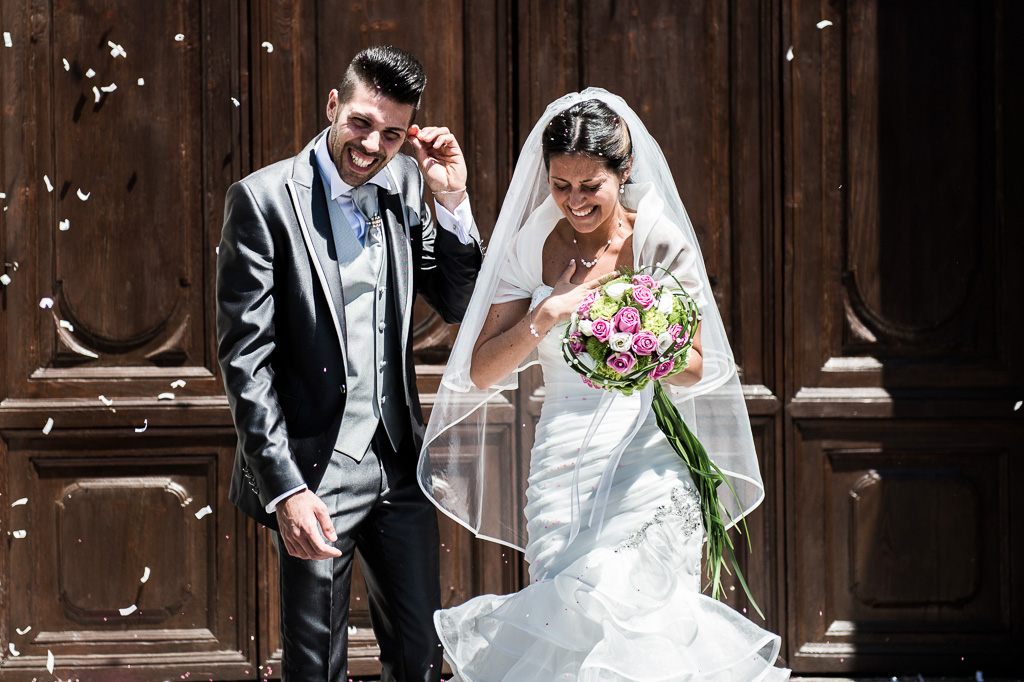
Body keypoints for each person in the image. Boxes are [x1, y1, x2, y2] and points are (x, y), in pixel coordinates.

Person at [418, 89, 790, 680]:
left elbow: (697, 364)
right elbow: (481, 369)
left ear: (624, 173)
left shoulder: (658, 240)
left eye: (591, 185)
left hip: (650, 457)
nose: (575, 201)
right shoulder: (531, 244)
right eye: (561, 185)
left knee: (648, 622)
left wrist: (631, 347)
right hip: (564, 459)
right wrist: (548, 315)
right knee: (565, 623)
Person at [216, 45, 483, 682]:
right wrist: (285, 489)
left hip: (398, 464)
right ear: (333, 105)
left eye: (392, 134)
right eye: (361, 123)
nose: (372, 145)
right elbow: (244, 360)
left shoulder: (407, 185)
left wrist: (452, 201)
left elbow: (459, 302)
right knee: (315, 668)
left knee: (420, 657)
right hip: (315, 470)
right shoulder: (263, 201)